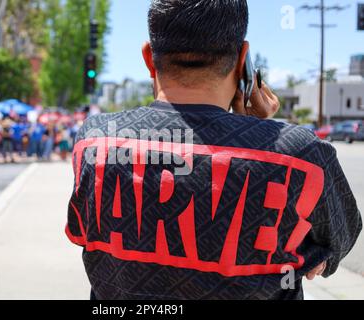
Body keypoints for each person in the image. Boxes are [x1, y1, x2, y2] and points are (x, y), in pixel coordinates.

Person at [66, 0, 362, 300]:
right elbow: (337, 242)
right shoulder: (301, 154)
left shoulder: (96, 142)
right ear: (242, 59)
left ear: (148, 57)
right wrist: (258, 135)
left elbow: (82, 232)